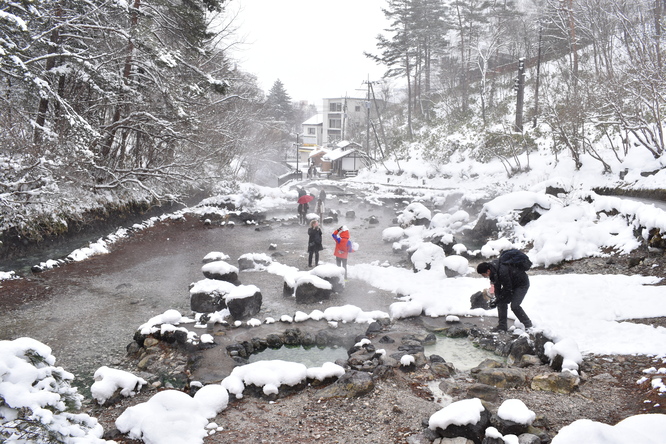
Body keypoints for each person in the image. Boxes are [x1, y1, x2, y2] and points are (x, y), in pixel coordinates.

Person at [477, 259, 533, 332]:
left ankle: (528, 325)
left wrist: (498, 300)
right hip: (511, 284)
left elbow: (507, 289)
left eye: (483, 275)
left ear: (488, 271)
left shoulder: (502, 271)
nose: (484, 276)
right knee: (501, 302)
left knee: (515, 306)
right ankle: (502, 326)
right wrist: (496, 300)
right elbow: (497, 286)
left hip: (521, 284)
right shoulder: (493, 272)